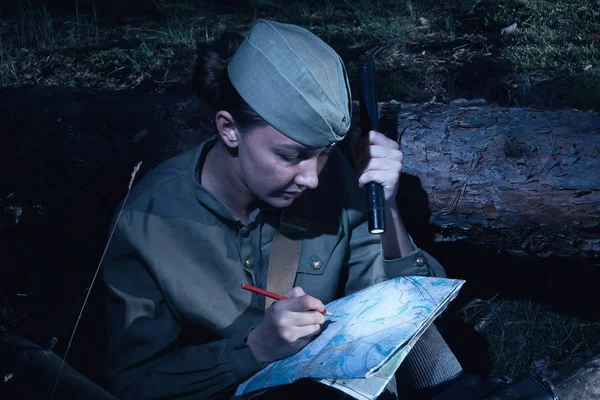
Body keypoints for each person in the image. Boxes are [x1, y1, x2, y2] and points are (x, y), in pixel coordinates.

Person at [99, 19, 467, 400]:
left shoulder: (334, 173)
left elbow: (409, 310)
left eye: (322, 154)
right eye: (291, 156)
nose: (311, 178)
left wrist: (386, 206)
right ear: (229, 130)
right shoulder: (145, 223)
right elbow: (135, 382)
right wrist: (255, 349)